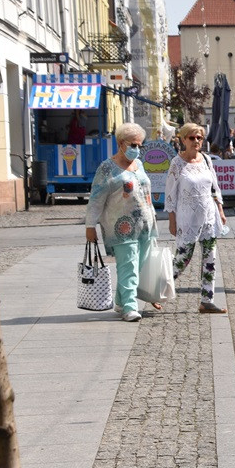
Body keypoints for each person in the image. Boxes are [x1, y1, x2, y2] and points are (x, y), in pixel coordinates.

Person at [84, 122, 157, 322]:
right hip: (120, 226)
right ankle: (130, 308)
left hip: (144, 224)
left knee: (138, 265)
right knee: (129, 266)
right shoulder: (107, 168)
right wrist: (90, 226)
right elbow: (96, 198)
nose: (137, 149)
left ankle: (120, 301)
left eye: (140, 145)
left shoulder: (139, 164)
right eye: (133, 145)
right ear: (120, 143)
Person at [165, 123, 228, 314]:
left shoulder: (207, 160)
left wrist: (220, 210)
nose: (196, 141)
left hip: (208, 216)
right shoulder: (177, 163)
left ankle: (206, 300)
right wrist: (171, 219)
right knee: (183, 258)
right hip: (187, 218)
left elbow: (214, 188)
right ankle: (157, 290)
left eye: (199, 138)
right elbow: (170, 194)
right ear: (183, 139)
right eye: (192, 138)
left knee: (210, 258)